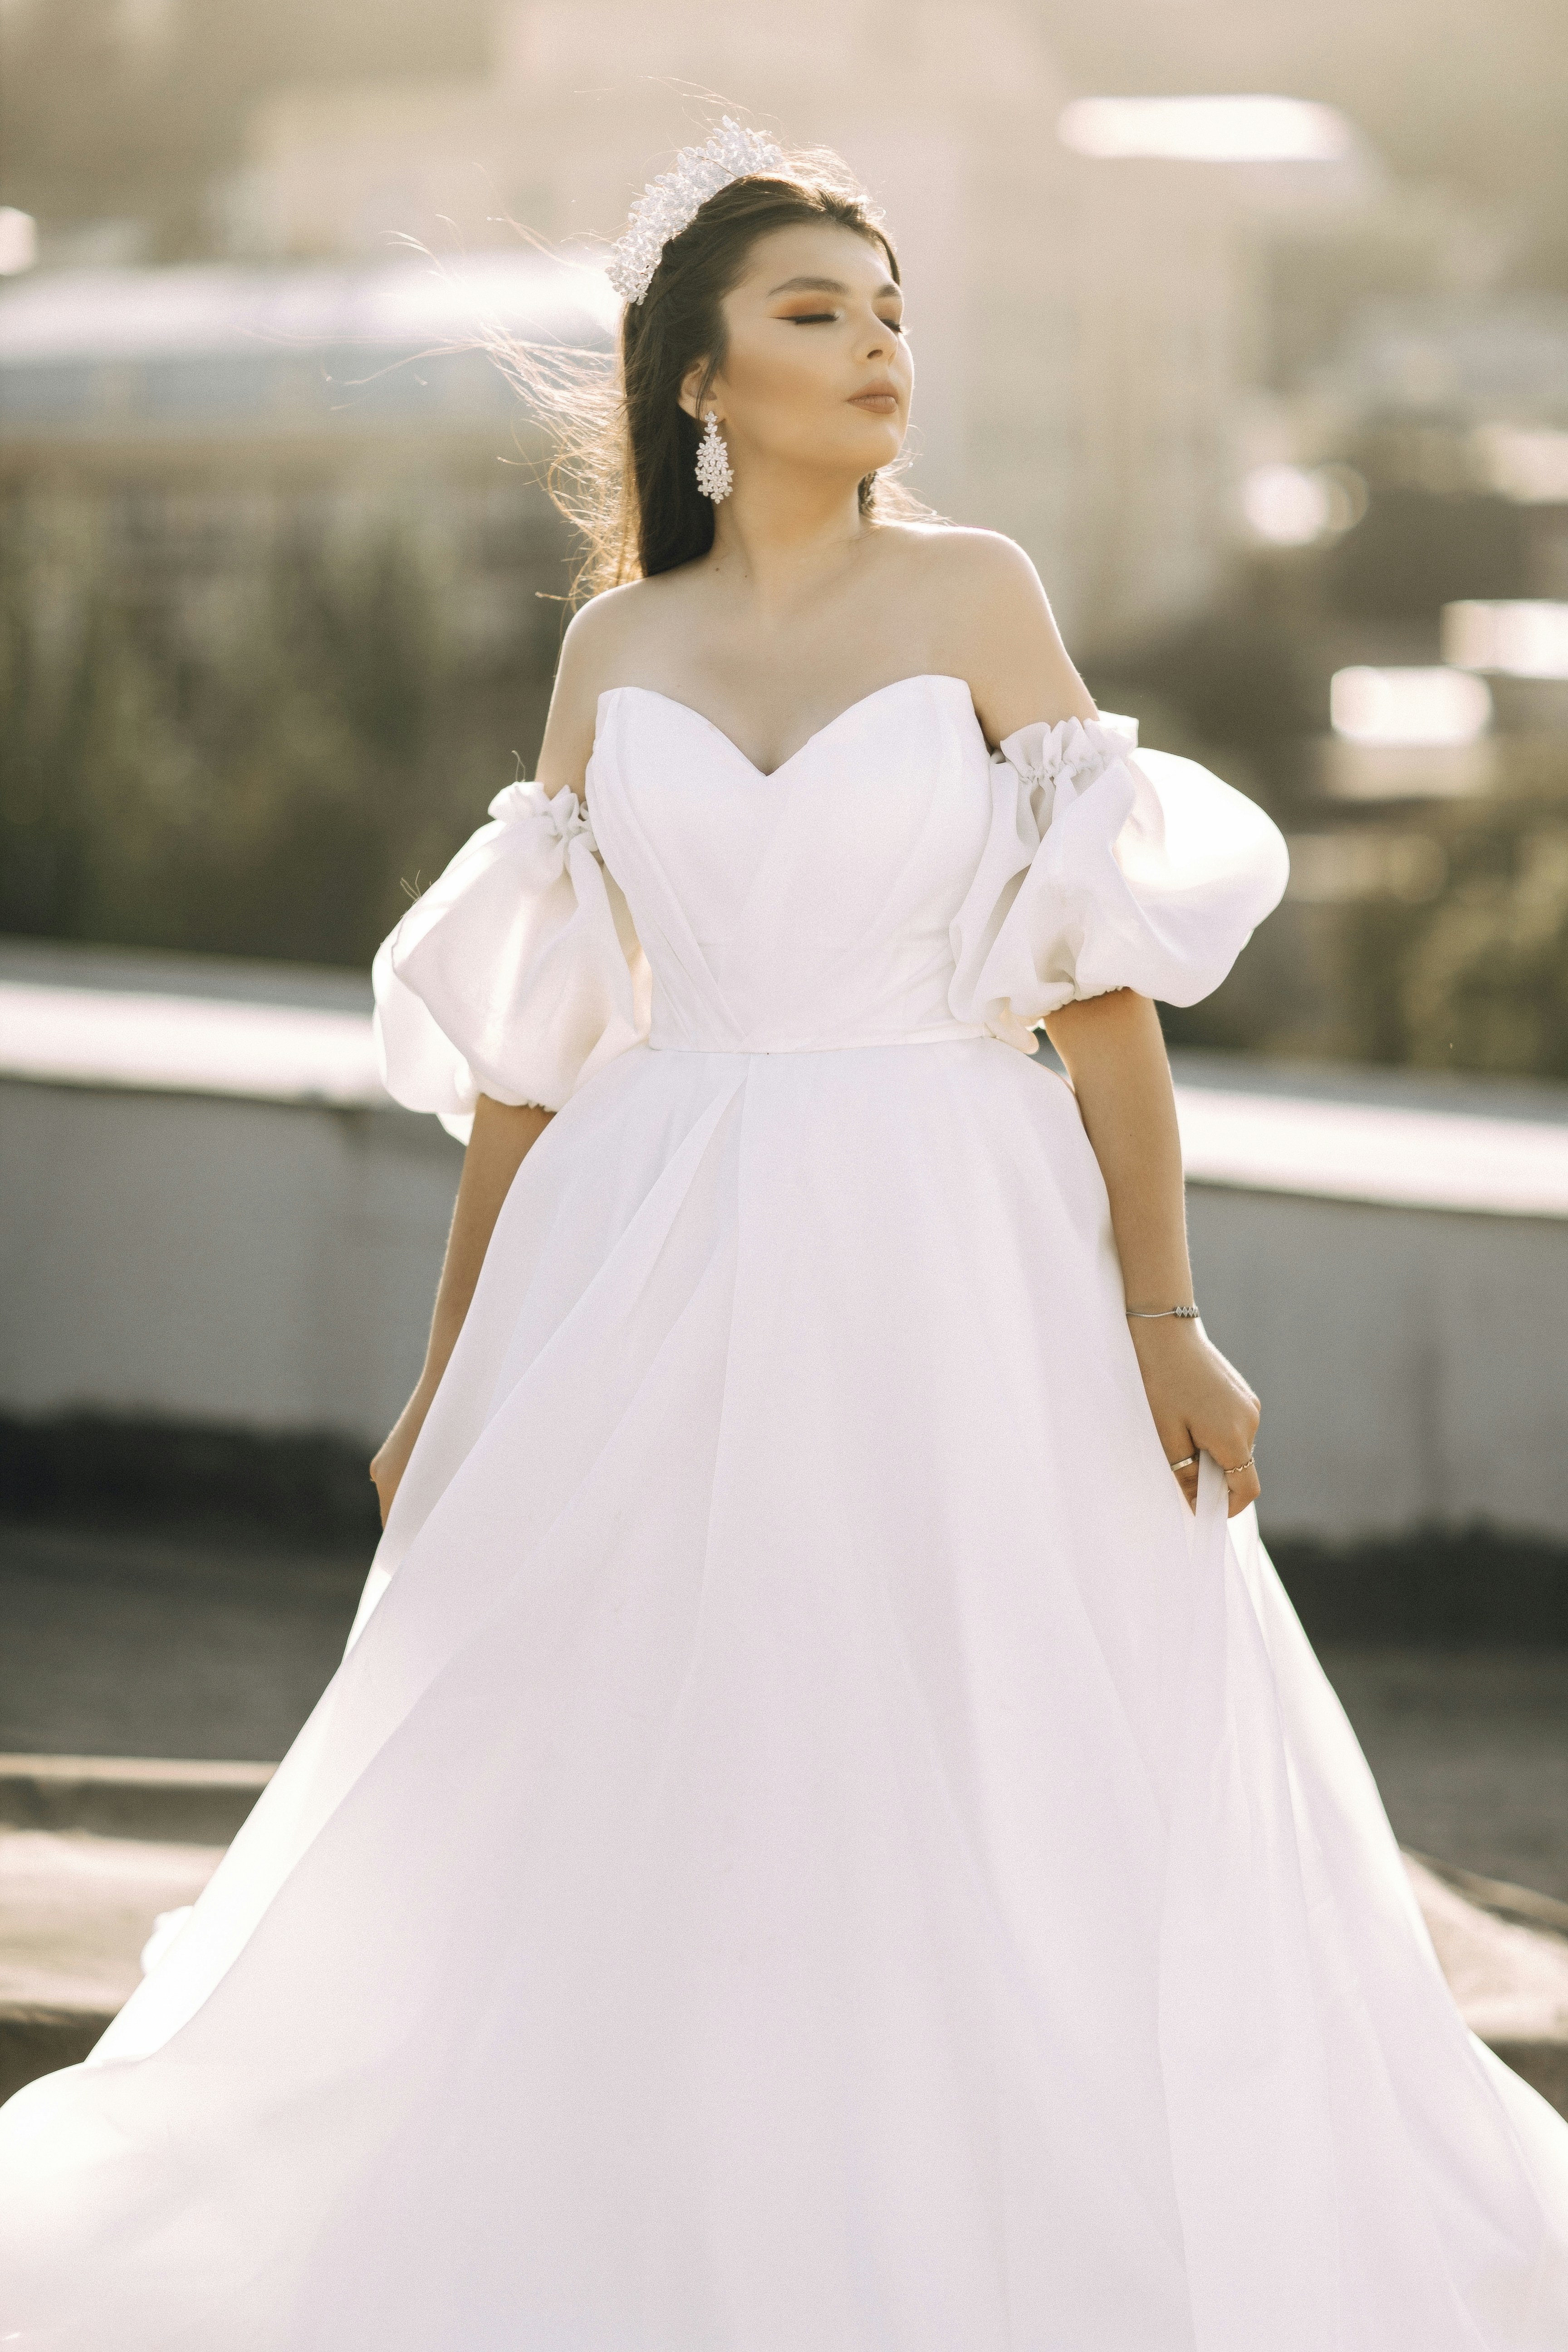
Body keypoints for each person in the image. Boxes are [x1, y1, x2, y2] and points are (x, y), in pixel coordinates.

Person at [1, 123, 1564, 2351]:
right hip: (654, 1246)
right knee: (626, 1752)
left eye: (893, 308)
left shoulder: (979, 595)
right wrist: (448, 1380)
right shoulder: (613, 652)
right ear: (701, 382)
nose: (877, 347)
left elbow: (1100, 995)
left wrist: (1166, 1318)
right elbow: (536, 1060)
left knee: (992, 1737)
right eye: (816, 312)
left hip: (956, 1234)